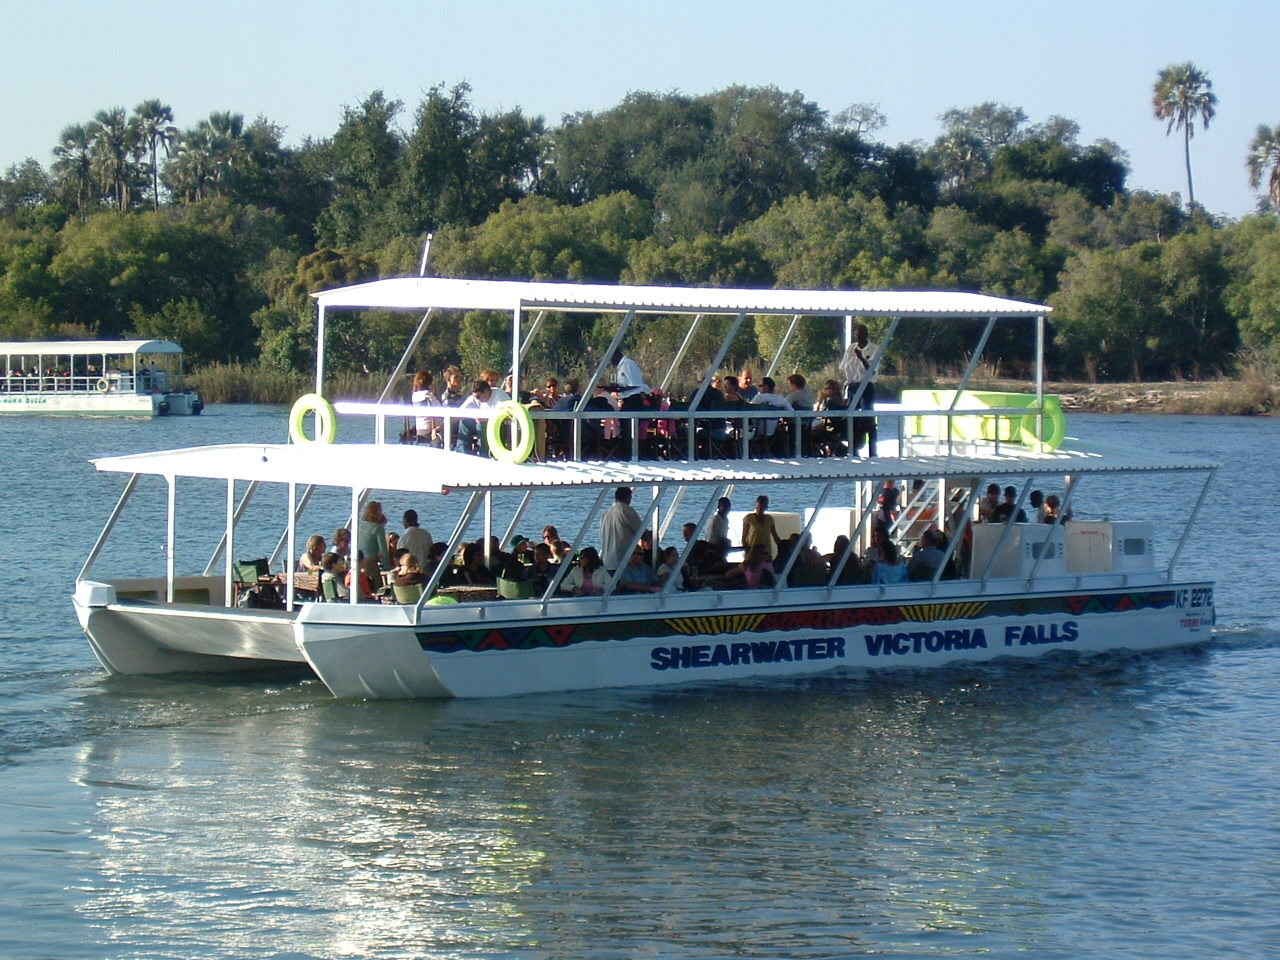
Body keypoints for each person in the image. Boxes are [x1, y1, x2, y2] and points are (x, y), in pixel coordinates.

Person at [838, 323, 879, 456]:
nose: (858, 337)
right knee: (852, 418)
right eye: (857, 334)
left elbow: (871, 371)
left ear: (866, 334)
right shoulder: (851, 348)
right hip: (852, 386)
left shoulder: (874, 349)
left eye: (861, 334)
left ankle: (873, 452)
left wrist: (861, 357)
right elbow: (843, 367)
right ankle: (853, 450)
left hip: (866, 385)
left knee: (868, 418)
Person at [609, 348, 650, 453]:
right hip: (626, 400)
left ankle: (630, 454)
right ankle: (626, 452)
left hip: (633, 400)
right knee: (625, 428)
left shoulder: (628, 364)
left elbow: (635, 385)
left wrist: (621, 389)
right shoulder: (621, 367)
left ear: (615, 356)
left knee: (629, 430)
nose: (610, 362)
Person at [600, 486, 642, 571]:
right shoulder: (626, 510)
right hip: (621, 561)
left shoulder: (606, 513)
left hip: (606, 560)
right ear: (628, 497)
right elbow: (641, 530)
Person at [741, 495, 784, 560]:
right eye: (758, 507)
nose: (759, 509)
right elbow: (744, 538)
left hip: (766, 553)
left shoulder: (769, 519)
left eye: (762, 507)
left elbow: (775, 536)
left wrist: (783, 547)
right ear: (756, 505)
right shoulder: (749, 518)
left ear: (766, 507)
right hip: (753, 553)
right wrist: (747, 552)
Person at [358, 501, 391, 576]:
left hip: (359, 561)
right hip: (370, 563)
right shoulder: (378, 528)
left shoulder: (360, 527)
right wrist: (387, 567)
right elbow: (383, 550)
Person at [410, 370, 442, 445]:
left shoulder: (414, 396)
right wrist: (433, 394)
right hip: (430, 430)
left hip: (420, 430)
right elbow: (440, 410)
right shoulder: (427, 395)